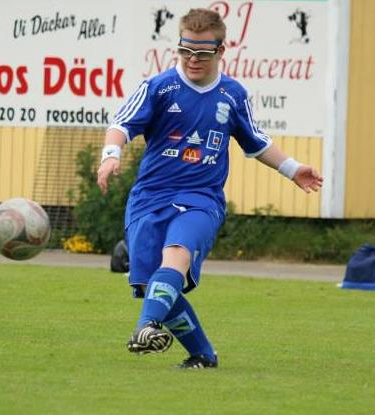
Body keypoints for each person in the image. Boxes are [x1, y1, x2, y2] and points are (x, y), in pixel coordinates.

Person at [97, 8, 323, 369]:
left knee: (176, 255)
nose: (193, 60)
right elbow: (121, 124)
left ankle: (144, 327)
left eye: (202, 53)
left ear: (221, 50)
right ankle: (203, 355)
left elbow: (256, 141)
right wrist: (111, 155)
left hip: (201, 199)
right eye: (186, 51)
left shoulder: (232, 95)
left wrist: (293, 169)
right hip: (149, 198)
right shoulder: (158, 88)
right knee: (151, 287)